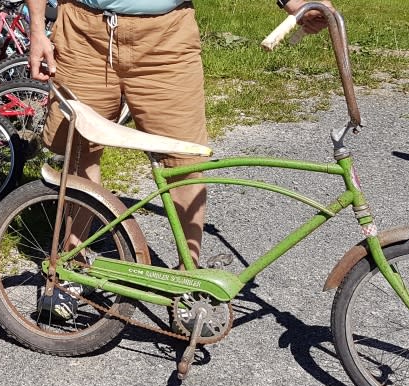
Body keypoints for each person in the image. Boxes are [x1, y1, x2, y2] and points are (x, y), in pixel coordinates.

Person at [27, 0, 334, 319]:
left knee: (185, 160)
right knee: (80, 152)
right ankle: (72, 266)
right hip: (82, 31)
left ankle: (189, 280)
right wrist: (37, 28)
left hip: (166, 36)